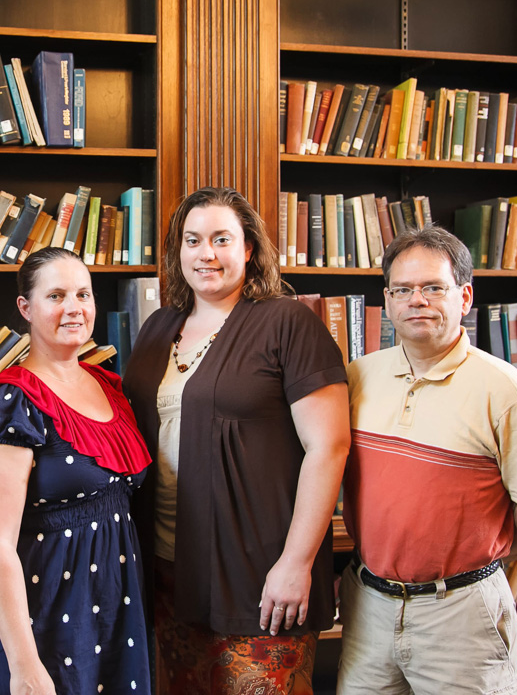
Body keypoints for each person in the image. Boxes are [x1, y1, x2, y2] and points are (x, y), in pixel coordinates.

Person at [123, 186, 350, 694]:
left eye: (221, 239)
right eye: (193, 240)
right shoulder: (160, 328)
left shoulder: (287, 323)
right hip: (167, 569)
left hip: (260, 574)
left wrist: (297, 563)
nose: (206, 254)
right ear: (177, 252)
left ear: (248, 249)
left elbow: (329, 447)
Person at [337, 226, 517, 694]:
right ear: (388, 299)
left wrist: (469, 564)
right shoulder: (357, 377)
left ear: (464, 297)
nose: (416, 300)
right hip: (369, 607)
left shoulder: (509, 393)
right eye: (403, 290)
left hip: (460, 612)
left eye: (433, 288)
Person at [0, 247, 154, 695]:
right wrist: (25, 665)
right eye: (57, 296)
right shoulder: (8, 404)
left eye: (83, 294)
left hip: (114, 610)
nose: (75, 309)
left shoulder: (111, 387)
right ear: (26, 308)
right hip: (41, 619)